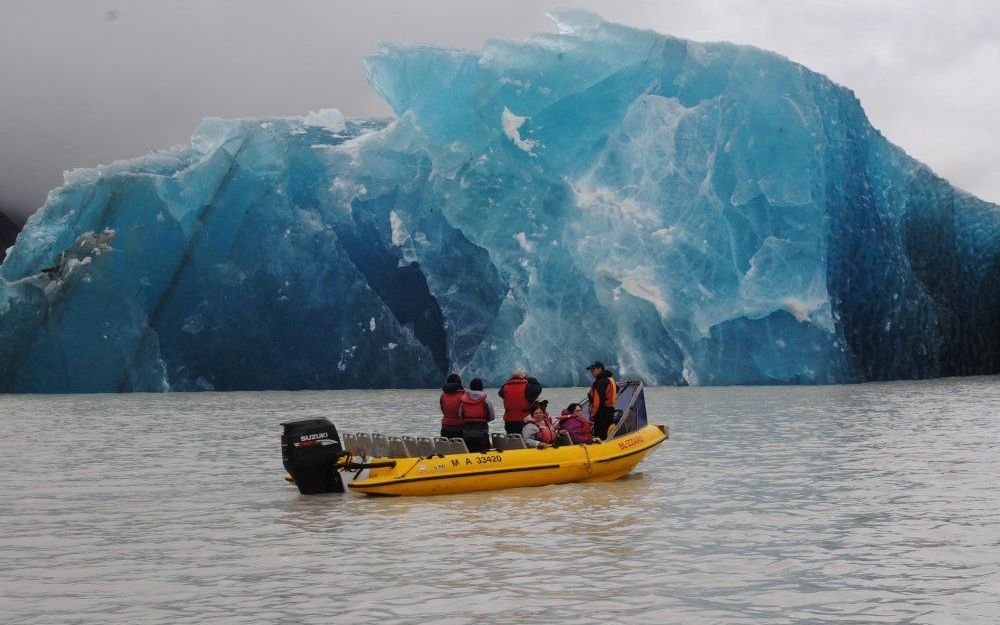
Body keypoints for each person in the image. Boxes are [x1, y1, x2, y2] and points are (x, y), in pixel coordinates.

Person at [498, 369, 542, 435]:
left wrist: (510, 380)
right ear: (522, 377)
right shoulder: (527, 387)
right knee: (525, 438)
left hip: (509, 421)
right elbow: (538, 388)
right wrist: (530, 378)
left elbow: (500, 393)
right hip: (524, 420)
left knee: (512, 439)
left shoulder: (505, 387)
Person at [459, 378, 495, 453]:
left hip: (467, 433)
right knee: (483, 453)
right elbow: (492, 416)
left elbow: (460, 415)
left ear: (471, 387)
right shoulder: (486, 400)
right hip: (482, 433)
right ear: (481, 387)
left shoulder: (464, 400)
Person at [586, 361, 618, 440]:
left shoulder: (599, 383)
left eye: (593, 369)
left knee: (600, 437)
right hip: (610, 412)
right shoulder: (610, 379)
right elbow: (617, 389)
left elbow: (597, 402)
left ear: (600, 369)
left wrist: (592, 415)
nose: (592, 372)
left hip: (601, 415)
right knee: (608, 434)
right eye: (591, 370)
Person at [439, 373, 464, 439]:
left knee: (447, 447)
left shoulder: (443, 395)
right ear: (459, 383)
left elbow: (442, 409)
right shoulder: (463, 395)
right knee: (460, 448)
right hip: (459, 428)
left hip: (445, 427)